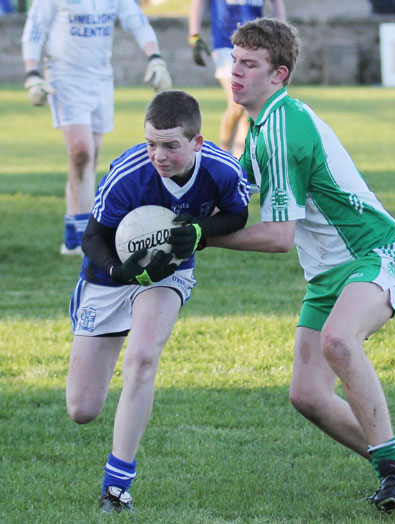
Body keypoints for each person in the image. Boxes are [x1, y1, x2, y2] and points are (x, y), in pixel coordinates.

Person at [206, 18, 395, 514]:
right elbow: (230, 200)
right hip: (328, 273)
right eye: (235, 62)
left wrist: (201, 238)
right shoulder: (260, 128)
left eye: (249, 64)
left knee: (337, 340)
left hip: (375, 253)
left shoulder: (285, 127)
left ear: (279, 74)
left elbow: (279, 237)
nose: (235, 73)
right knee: (307, 395)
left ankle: (392, 475)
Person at [65, 90, 250, 513]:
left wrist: (200, 231)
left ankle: (116, 488)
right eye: (151, 143)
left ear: (197, 142)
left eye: (170, 145)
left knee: (143, 357)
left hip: (168, 274)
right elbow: (92, 237)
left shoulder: (222, 169)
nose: (159, 155)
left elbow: (235, 214)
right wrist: (117, 272)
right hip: (107, 276)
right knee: (82, 409)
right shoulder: (128, 174)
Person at [22, 0, 172, 256]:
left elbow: (137, 21)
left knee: (89, 156)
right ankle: (84, 234)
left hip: (101, 78)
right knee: (81, 151)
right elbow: (35, 30)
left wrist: (155, 58)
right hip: (64, 77)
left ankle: (74, 233)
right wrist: (32, 74)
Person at [188, 0, 286, 158]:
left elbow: (276, 3)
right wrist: (194, 35)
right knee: (237, 103)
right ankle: (223, 152)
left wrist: (281, 33)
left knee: (249, 108)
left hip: (256, 47)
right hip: (226, 45)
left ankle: (238, 162)